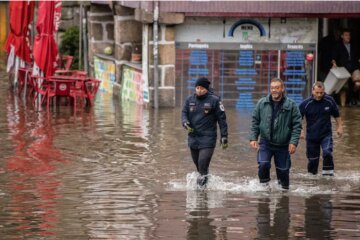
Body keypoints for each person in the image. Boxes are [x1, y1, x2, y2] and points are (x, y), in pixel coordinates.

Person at [249, 78, 302, 190]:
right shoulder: (262, 103)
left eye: (277, 88)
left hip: (283, 145)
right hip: (265, 143)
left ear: (282, 89)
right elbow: (255, 121)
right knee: (263, 165)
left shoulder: (291, 105)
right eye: (272, 88)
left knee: (283, 173)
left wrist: (293, 142)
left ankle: (283, 195)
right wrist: (253, 138)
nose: (274, 90)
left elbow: (297, 126)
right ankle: (264, 189)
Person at [181, 77, 228, 187]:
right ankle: (205, 187)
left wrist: (224, 136)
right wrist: (185, 123)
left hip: (208, 138)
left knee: (202, 163)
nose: (199, 90)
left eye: (202, 88)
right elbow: (184, 113)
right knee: (199, 166)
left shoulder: (215, 100)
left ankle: (201, 191)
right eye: (197, 88)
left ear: (206, 89)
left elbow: (222, 120)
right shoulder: (189, 100)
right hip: (193, 137)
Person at [299, 81, 343, 176]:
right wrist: (300, 130)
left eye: (321, 93)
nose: (319, 95)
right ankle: (312, 178)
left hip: (326, 134)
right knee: (313, 160)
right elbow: (298, 118)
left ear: (324, 91)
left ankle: (328, 176)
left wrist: (340, 126)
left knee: (327, 153)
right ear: (312, 91)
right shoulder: (305, 104)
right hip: (311, 136)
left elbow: (336, 114)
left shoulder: (330, 101)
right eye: (317, 92)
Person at [331, 28, 360, 106]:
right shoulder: (338, 46)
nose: (348, 37)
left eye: (349, 35)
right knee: (343, 89)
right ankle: (343, 107)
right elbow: (334, 57)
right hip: (343, 68)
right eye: (346, 35)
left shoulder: (354, 45)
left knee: (358, 83)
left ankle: (353, 95)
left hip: (354, 67)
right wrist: (334, 63)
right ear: (342, 36)